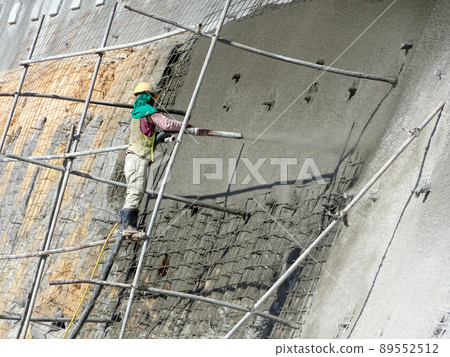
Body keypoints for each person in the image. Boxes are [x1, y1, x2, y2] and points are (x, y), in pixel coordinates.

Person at [118, 82, 193, 235]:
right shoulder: (147, 110)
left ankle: (127, 226)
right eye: (152, 96)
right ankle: (127, 227)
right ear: (148, 96)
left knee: (135, 190)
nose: (153, 99)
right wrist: (185, 125)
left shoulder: (136, 114)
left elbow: (148, 137)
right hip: (138, 158)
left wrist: (160, 137)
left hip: (133, 157)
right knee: (136, 191)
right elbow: (166, 124)